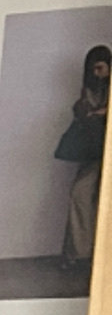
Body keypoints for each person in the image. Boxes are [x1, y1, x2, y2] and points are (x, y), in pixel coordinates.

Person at [56, 44, 111, 275]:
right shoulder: (90, 89)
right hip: (94, 151)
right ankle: (80, 254)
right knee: (80, 195)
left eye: (100, 68)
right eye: (93, 69)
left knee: (86, 197)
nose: (97, 74)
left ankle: (83, 254)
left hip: (102, 150)